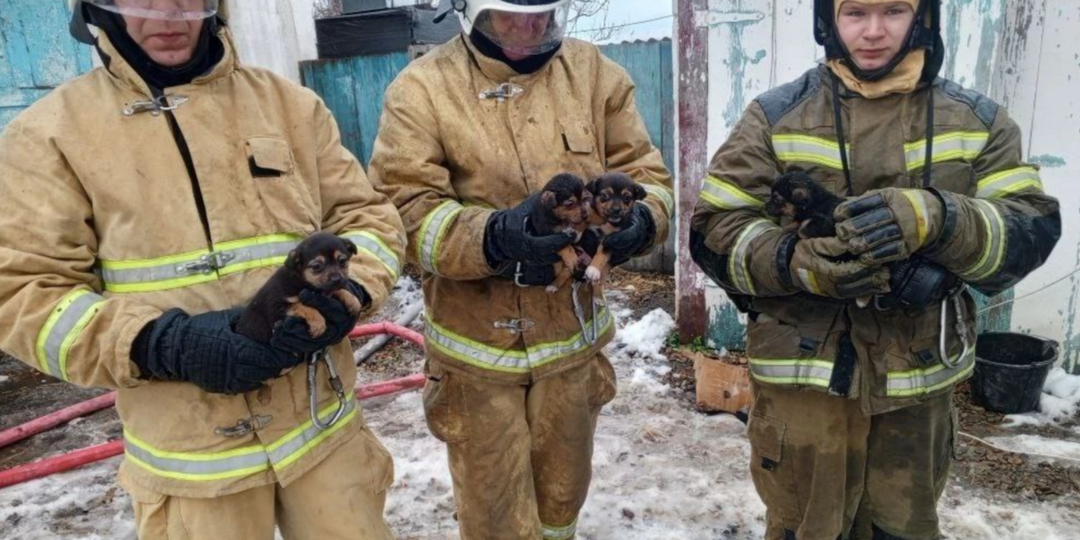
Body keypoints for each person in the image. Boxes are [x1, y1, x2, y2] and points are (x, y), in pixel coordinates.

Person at [0, 1, 405, 538]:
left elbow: (367, 217)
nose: (169, 18)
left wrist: (353, 288)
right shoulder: (47, 137)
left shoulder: (290, 106)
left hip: (322, 428)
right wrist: (160, 344)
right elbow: (24, 292)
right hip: (192, 463)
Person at [690, 1, 1061, 539]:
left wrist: (940, 217)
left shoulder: (977, 121)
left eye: (893, 10)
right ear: (827, 21)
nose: (872, 32)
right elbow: (712, 229)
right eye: (854, 12)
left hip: (916, 391)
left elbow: (1029, 231)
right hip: (805, 392)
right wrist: (797, 264)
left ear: (924, 16)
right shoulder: (775, 116)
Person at [368, 0, 675, 538]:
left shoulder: (596, 75)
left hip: (570, 347)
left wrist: (644, 222)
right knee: (496, 517)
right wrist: (492, 237)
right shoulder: (422, 88)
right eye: (508, 15)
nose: (528, 29)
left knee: (562, 500)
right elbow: (404, 207)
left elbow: (644, 172)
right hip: (476, 355)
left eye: (542, 15)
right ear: (469, 12)